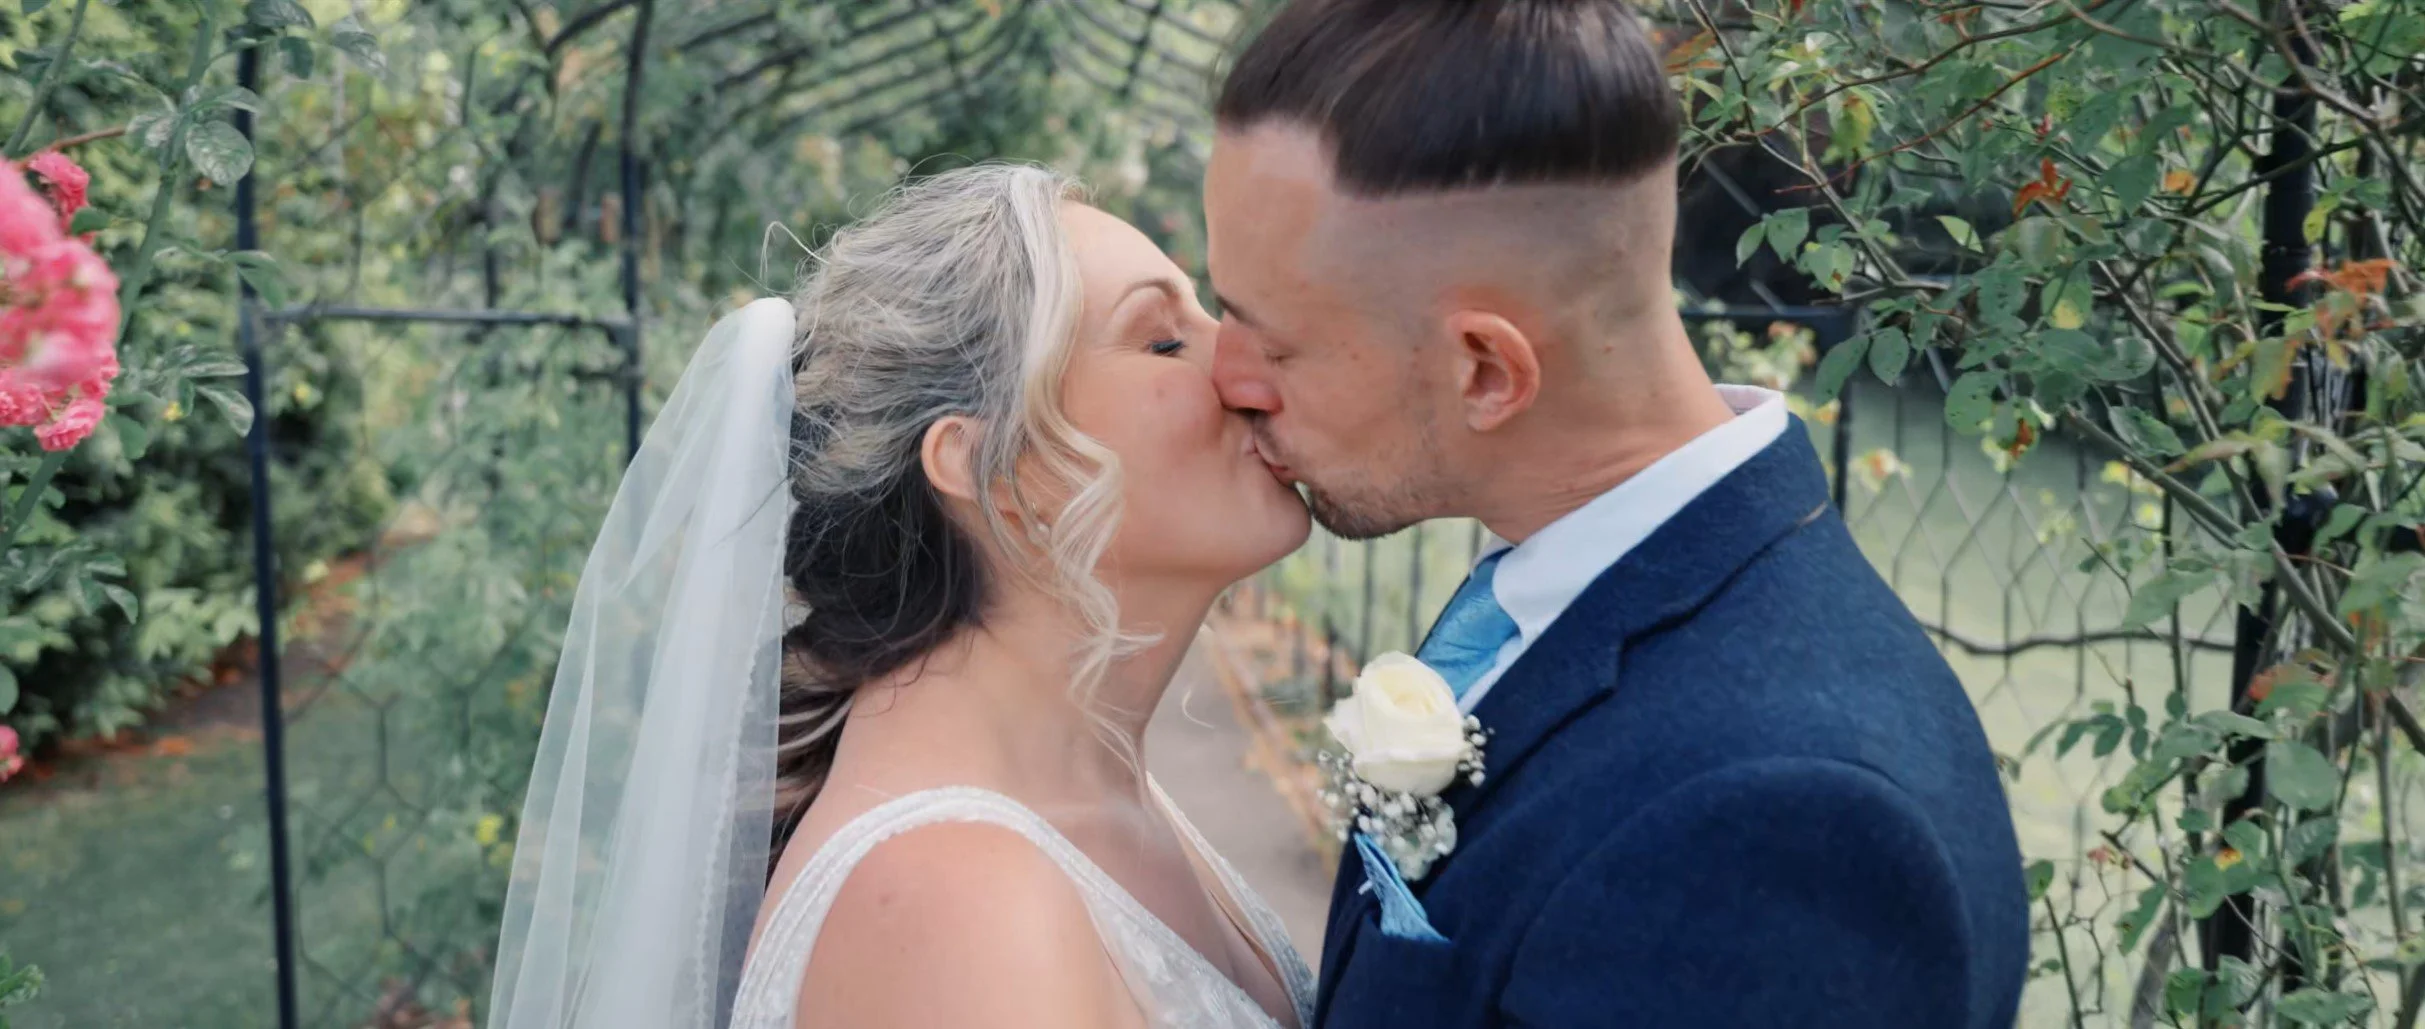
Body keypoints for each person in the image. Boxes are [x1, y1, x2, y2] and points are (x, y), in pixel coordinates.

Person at [1202, 2, 2031, 1026]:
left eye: (1271, 340)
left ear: (1486, 371)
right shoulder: (1569, 594)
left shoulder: (1780, 828)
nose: (1223, 374)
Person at [484, 164, 1317, 1029]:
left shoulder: (1093, 789)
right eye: (1164, 341)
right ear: (991, 471)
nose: (1241, 360)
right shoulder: (959, 909)